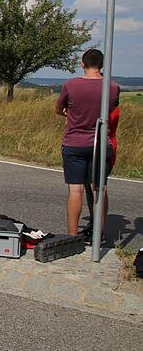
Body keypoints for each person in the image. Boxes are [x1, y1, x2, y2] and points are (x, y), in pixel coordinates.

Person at [55, 49, 120, 238]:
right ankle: (98, 235)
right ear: (102, 65)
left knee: (76, 190)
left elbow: (59, 109)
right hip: (100, 143)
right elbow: (111, 108)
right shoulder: (113, 87)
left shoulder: (71, 85)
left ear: (82, 64)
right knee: (99, 188)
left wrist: (71, 114)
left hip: (74, 142)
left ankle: (72, 237)